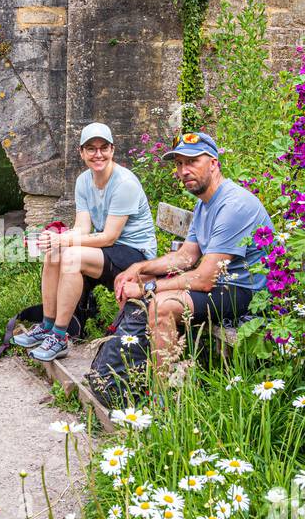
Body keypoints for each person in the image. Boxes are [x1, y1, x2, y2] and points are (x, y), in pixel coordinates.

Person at [112, 130, 274, 373]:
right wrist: (139, 269)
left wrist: (148, 288)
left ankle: (162, 394)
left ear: (213, 163)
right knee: (140, 278)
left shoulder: (234, 205)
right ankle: (127, 366)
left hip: (246, 293)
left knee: (162, 305)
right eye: (179, 164)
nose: (183, 170)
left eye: (192, 161)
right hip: (223, 285)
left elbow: (204, 279)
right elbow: (185, 257)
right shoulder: (205, 203)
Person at [14, 121, 158, 361]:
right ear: (82, 153)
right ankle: (47, 326)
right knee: (55, 253)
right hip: (109, 250)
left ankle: (60, 338)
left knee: (70, 256)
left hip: (135, 254)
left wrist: (64, 242)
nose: (98, 154)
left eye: (103, 148)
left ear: (112, 150)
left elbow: (109, 236)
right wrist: (57, 239)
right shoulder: (83, 181)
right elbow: (82, 228)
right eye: (91, 148)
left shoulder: (125, 184)